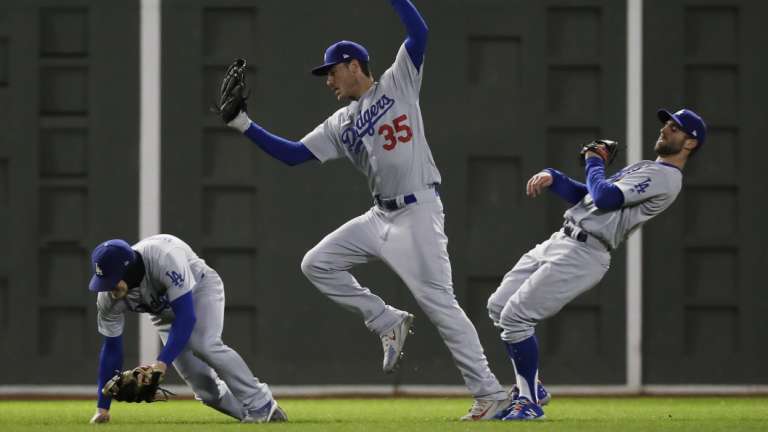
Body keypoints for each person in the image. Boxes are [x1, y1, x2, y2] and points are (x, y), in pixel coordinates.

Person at [221, 0, 509, 420]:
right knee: (317, 263)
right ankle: (385, 318)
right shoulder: (340, 122)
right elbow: (294, 155)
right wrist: (244, 125)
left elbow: (420, 34)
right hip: (380, 217)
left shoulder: (398, 82)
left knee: (440, 305)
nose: (328, 81)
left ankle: (490, 394)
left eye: (331, 71)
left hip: (417, 210)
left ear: (354, 65)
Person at [487, 108, 706, 420]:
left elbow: (606, 199)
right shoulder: (647, 167)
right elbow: (590, 197)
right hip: (562, 239)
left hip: (585, 252)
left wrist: (594, 160)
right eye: (667, 124)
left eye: (676, 128)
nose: (666, 129)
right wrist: (556, 178)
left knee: (516, 318)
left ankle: (528, 403)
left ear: (690, 144)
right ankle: (533, 387)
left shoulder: (667, 178)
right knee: (498, 306)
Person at [87, 235, 286, 424]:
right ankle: (261, 416)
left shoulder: (164, 256)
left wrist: (161, 363)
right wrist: (102, 408)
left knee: (204, 344)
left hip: (199, 290)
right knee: (205, 389)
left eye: (112, 280)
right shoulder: (108, 298)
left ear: (128, 269)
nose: (107, 288)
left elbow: (186, 317)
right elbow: (112, 349)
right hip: (164, 314)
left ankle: (262, 404)